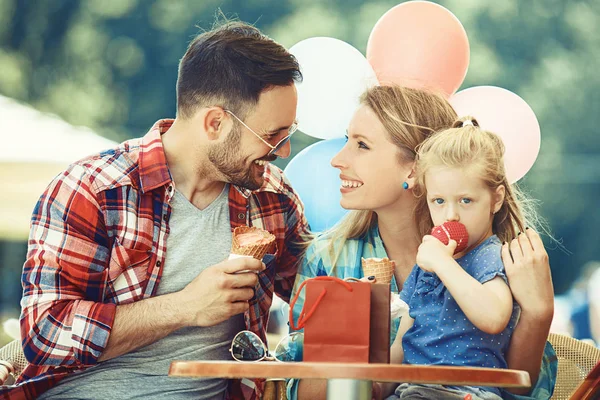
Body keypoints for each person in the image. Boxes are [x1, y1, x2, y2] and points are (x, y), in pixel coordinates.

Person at [5, 20, 310, 400]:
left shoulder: (273, 198)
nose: (284, 151)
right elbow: (45, 334)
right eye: (273, 135)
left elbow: (319, 301)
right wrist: (184, 307)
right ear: (215, 122)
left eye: (289, 133)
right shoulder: (93, 189)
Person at [288, 85, 556, 400]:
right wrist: (351, 344)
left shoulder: (499, 257)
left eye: (362, 145)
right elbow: (300, 388)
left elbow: (524, 389)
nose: (337, 159)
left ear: (416, 169)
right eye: (348, 140)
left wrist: (539, 313)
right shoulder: (328, 258)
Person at [384, 116, 535, 399]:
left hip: (470, 392)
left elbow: (493, 317)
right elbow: (403, 343)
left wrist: (443, 264)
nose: (450, 215)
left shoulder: (489, 256)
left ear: (496, 199)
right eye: (439, 201)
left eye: (466, 200)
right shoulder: (428, 263)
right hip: (414, 391)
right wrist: (375, 388)